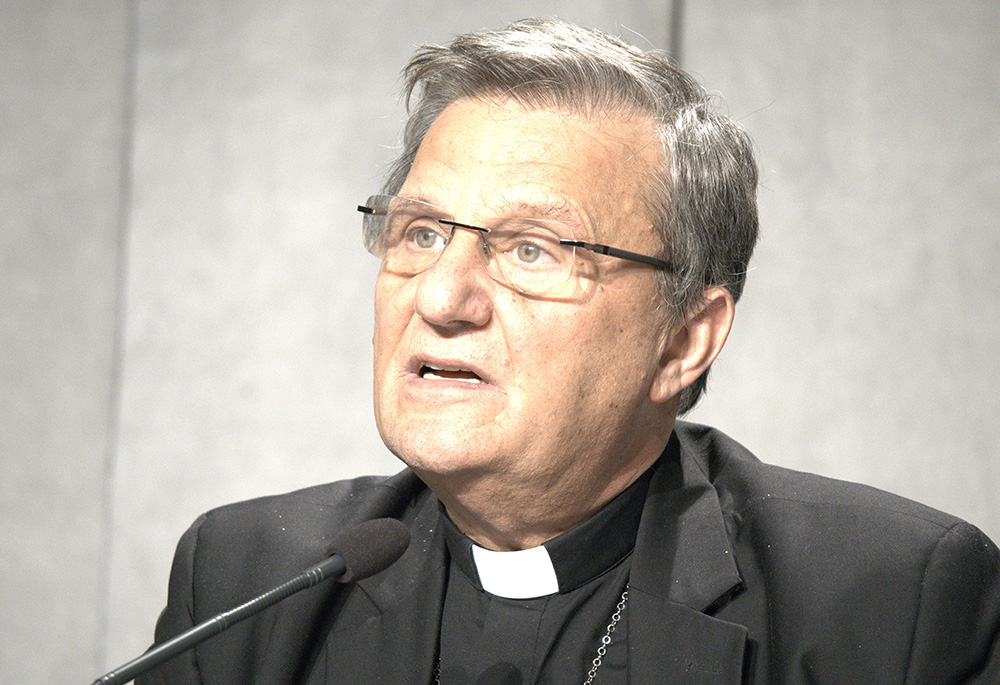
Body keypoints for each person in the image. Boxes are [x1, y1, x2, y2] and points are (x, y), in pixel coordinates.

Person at [139, 19, 1000, 684]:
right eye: (423, 231)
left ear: (684, 338)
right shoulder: (244, 581)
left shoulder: (892, 608)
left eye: (532, 251)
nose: (441, 298)